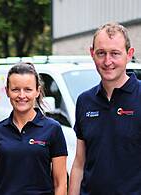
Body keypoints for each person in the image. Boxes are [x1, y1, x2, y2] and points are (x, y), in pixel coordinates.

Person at [69, 22, 141, 195]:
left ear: (129, 54)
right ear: (92, 54)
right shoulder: (84, 101)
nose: (107, 61)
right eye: (101, 53)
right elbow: (79, 164)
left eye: (115, 53)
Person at [0, 62, 68, 195]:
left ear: (37, 91)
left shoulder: (53, 129)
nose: (22, 95)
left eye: (28, 89)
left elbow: (60, 183)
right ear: (7, 91)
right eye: (15, 89)